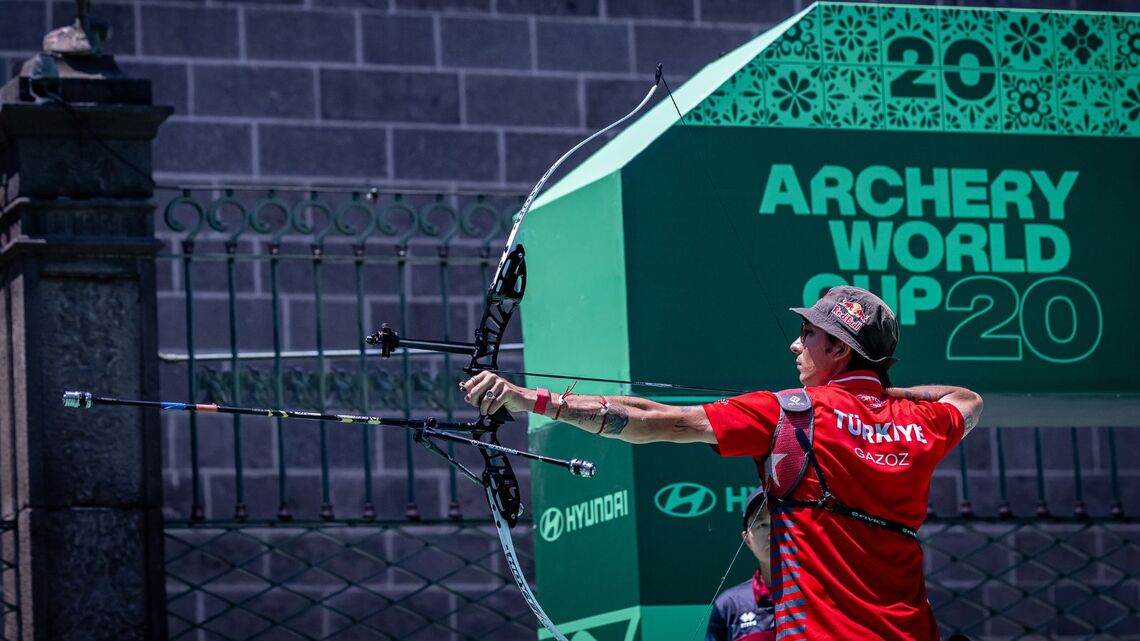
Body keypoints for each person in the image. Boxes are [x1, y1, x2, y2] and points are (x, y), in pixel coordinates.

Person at [461, 285, 983, 641]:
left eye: (809, 334)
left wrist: (530, 400)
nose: (795, 344)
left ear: (841, 350)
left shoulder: (793, 411)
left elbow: (656, 420)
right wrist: (876, 393)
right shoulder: (924, 422)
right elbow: (967, 400)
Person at [705, 488, 775, 641]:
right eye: (762, 525)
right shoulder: (728, 605)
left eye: (779, 521)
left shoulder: (818, 595)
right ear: (747, 539)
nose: (772, 533)